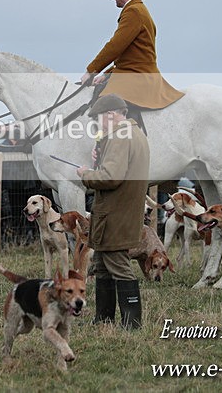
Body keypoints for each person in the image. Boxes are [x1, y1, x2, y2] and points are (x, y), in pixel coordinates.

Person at [76, 94, 150, 329]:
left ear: (110, 115)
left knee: (117, 265)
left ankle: (132, 324)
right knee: (102, 264)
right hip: (119, 211)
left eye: (98, 118)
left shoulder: (120, 137)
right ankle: (104, 319)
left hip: (115, 213)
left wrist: (86, 174)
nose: (97, 124)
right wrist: (101, 158)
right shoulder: (134, 133)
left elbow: (110, 178)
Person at [80, 0, 184, 122]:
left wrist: (91, 70)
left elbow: (115, 46)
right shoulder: (139, 10)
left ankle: (115, 142)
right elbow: (129, 55)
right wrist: (108, 74)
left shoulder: (133, 11)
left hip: (138, 76)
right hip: (133, 72)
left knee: (104, 103)